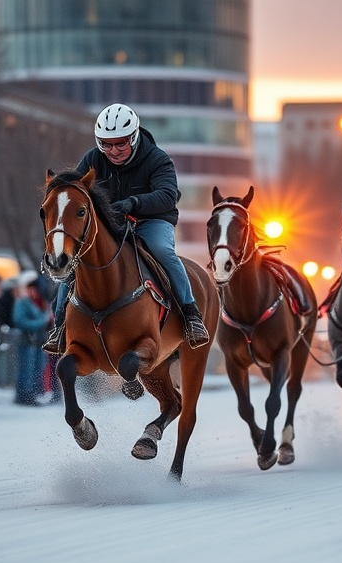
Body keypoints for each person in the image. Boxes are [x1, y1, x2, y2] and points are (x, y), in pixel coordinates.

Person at [43, 103, 209, 353]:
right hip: (112, 223)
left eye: (121, 143)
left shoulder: (157, 159)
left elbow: (167, 195)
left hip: (152, 221)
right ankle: (58, 328)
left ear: (134, 136)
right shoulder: (91, 159)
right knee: (76, 259)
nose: (113, 150)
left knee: (161, 250)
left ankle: (190, 314)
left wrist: (134, 203)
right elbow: (74, 191)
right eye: (107, 144)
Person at [13, 276, 51, 405]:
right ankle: (23, 396)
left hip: (39, 342)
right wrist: (42, 321)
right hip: (27, 341)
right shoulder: (22, 302)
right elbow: (19, 321)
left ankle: (34, 395)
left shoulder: (41, 303)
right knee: (26, 370)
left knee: (37, 370)